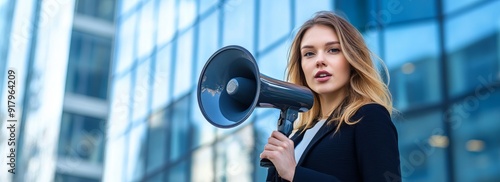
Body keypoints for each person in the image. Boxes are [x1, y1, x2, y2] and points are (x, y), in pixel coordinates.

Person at [259, 11, 401, 182]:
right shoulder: (296, 137)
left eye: (333, 50)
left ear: (351, 58)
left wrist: (294, 173)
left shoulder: (369, 116)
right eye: (309, 54)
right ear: (302, 66)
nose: (320, 61)